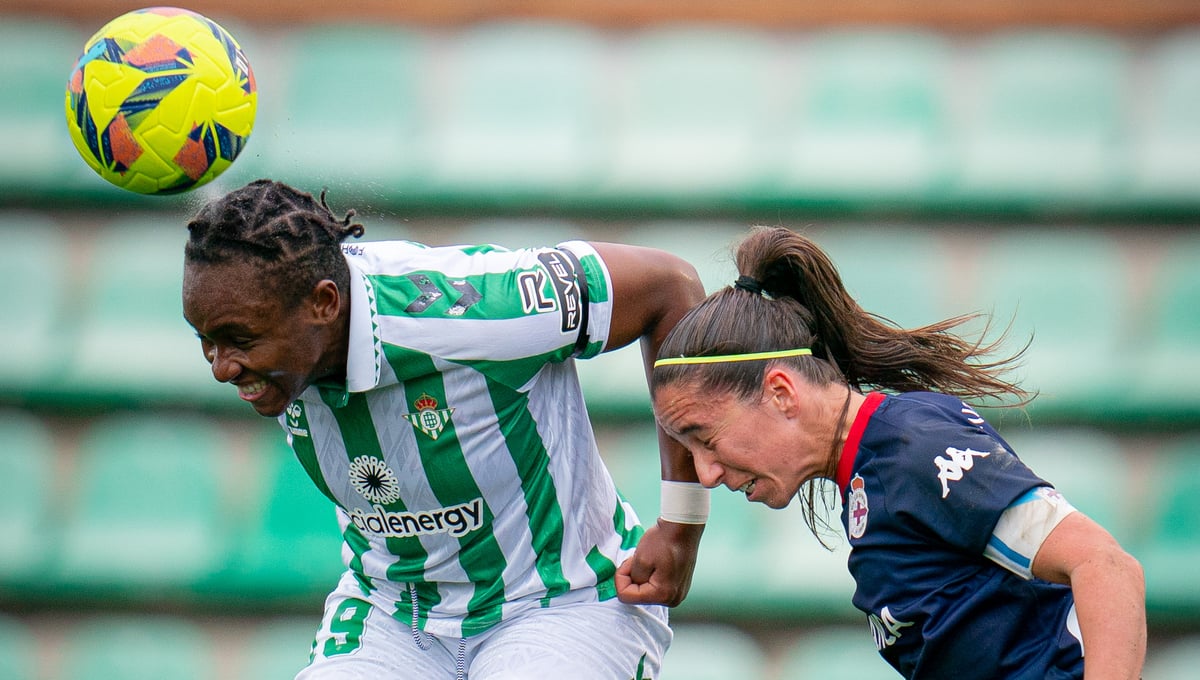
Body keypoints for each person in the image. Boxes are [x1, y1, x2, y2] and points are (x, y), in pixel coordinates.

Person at [181, 179, 708, 679]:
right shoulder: (282, 319)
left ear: (324, 304)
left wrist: (682, 522)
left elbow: (670, 289)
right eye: (206, 341)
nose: (221, 367)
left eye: (240, 341)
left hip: (560, 601)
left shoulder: (478, 308)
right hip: (392, 611)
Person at [636, 226, 1146, 679]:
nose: (705, 473)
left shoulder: (916, 448)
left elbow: (1106, 566)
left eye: (706, 439)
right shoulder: (870, 470)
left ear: (781, 393)